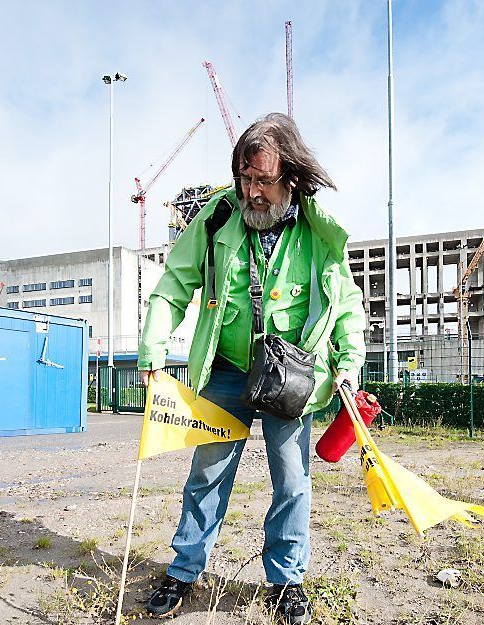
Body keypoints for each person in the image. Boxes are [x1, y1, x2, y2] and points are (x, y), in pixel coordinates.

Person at [137, 113, 366, 624]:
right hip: (226, 370)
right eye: (246, 179)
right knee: (207, 475)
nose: (253, 192)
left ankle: (287, 581)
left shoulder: (317, 230)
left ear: (291, 178)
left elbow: (346, 301)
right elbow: (174, 283)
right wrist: (152, 353)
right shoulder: (217, 217)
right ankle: (183, 570)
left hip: (293, 374)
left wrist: (349, 363)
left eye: (264, 180)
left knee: (292, 480)